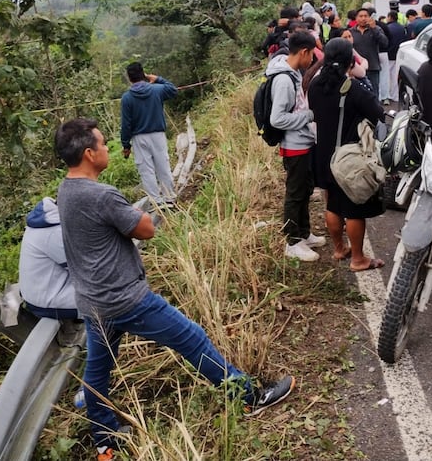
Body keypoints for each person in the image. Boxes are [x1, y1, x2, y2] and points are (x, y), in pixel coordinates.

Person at [54, 118, 294, 458]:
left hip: (93, 300)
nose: (108, 148)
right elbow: (146, 229)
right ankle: (249, 397)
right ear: (90, 153)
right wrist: (138, 214)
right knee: (191, 337)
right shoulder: (101, 194)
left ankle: (104, 436)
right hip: (125, 298)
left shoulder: (66, 190)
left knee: (98, 367)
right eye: (104, 144)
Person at [308, 39, 386, 272]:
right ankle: (359, 259)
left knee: (332, 204)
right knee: (353, 209)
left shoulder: (314, 85)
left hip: (323, 154)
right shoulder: (353, 89)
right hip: (348, 157)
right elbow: (378, 113)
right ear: (349, 61)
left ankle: (340, 248)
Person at [266, 30, 325, 261]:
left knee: (304, 190)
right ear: (304, 52)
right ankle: (292, 241)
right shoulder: (283, 79)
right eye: (312, 55)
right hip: (294, 145)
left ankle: (304, 233)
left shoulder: (292, 73)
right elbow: (277, 119)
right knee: (295, 193)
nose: (312, 60)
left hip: (303, 141)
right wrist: (309, 116)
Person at [120, 62, 178, 208]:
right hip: (158, 135)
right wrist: (157, 78)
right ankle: (169, 197)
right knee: (163, 165)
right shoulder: (157, 90)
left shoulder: (127, 98)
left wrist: (126, 145)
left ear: (129, 78)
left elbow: (126, 125)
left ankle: (156, 201)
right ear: (143, 74)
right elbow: (173, 89)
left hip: (139, 138)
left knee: (146, 170)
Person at [18, 197, 78, 321]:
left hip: (44, 290)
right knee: (114, 301)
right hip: (48, 301)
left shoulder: (48, 219)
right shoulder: (54, 233)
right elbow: (86, 270)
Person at [349, 7, 388, 99]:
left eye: (365, 16)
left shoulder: (376, 29)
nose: (363, 18)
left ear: (370, 17)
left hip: (372, 68)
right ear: (356, 18)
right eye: (360, 16)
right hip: (355, 69)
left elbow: (385, 43)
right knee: (356, 96)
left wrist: (374, 29)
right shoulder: (350, 32)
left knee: (373, 95)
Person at [385, 10, 408, 104]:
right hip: (398, 53)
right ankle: (395, 96)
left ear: (390, 17)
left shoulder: (387, 28)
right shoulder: (402, 28)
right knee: (395, 75)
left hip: (389, 54)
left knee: (388, 75)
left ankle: (388, 95)